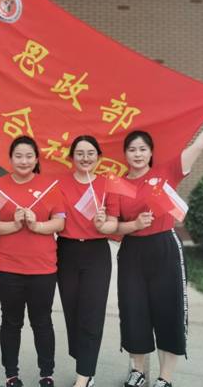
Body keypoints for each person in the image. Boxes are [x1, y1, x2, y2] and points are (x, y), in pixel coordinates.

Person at [118, 93, 203, 387]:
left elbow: (199, 145)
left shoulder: (167, 171)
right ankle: (137, 370)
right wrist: (132, 225)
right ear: (125, 154)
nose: (137, 154)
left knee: (168, 310)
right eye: (132, 149)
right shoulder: (117, 183)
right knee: (134, 310)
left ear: (151, 152)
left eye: (143, 149)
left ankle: (165, 377)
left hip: (164, 248)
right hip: (132, 251)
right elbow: (113, 224)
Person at [0, 136, 65, 387]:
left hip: (43, 268)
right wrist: (15, 224)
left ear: (36, 159)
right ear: (10, 159)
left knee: (42, 321)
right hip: (9, 268)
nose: (24, 161)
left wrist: (36, 225)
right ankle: (11, 374)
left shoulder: (50, 186)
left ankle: (46, 373)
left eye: (29, 156)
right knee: (11, 322)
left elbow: (59, 222)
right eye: (18, 156)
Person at [56, 135, 119, 387]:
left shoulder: (106, 184)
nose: (85, 158)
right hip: (66, 251)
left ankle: (84, 375)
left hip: (96, 253)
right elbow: (53, 217)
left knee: (92, 313)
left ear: (98, 157)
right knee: (72, 312)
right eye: (80, 153)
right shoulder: (59, 183)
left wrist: (103, 225)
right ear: (71, 157)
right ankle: (84, 360)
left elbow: (114, 223)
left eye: (91, 153)